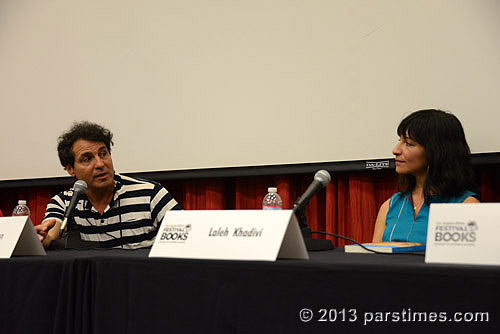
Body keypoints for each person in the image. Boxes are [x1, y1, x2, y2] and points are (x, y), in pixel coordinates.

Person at [35, 121, 181, 249]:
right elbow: (50, 234)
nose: (100, 164)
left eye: (103, 154)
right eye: (87, 159)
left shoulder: (150, 194)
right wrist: (42, 237)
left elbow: (187, 236)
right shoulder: (65, 202)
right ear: (70, 169)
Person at [372, 109, 479, 243]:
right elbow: (374, 260)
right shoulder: (390, 206)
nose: (395, 150)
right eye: (399, 140)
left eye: (408, 143)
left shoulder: (466, 205)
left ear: (436, 151)